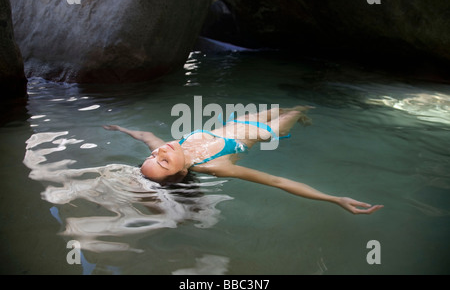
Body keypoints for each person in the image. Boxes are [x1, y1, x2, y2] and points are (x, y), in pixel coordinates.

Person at [103, 106, 383, 215]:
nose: (160, 152)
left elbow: (146, 135)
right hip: (269, 134)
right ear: (181, 173)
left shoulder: (168, 149)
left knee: (279, 106)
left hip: (240, 122)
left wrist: (121, 129)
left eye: (155, 155)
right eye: (163, 162)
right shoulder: (217, 167)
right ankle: (303, 115)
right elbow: (276, 180)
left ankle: (300, 113)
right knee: (296, 110)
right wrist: (334, 199)